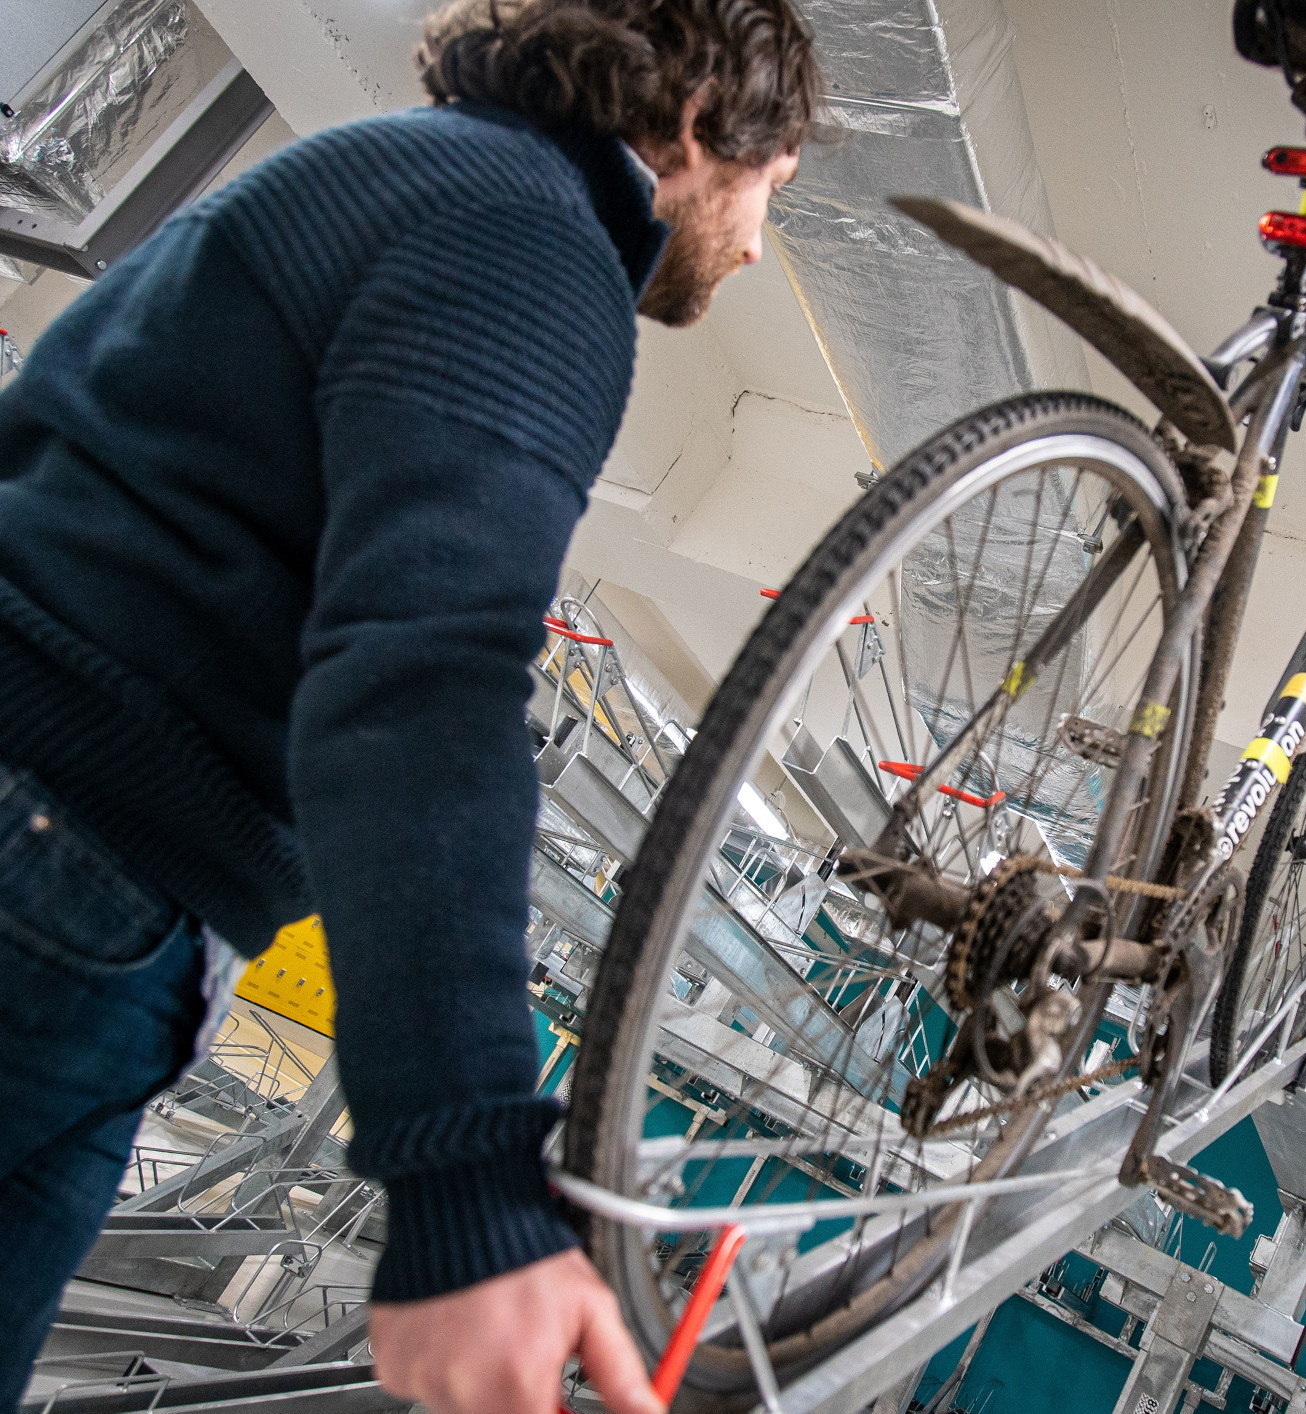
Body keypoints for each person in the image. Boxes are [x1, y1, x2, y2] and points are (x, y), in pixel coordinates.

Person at [0, 1, 819, 1409]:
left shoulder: (413, 170)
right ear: (698, 129)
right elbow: (426, 671)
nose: (753, 244)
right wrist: (471, 1184)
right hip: (61, 861)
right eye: (768, 194)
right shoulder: (533, 240)